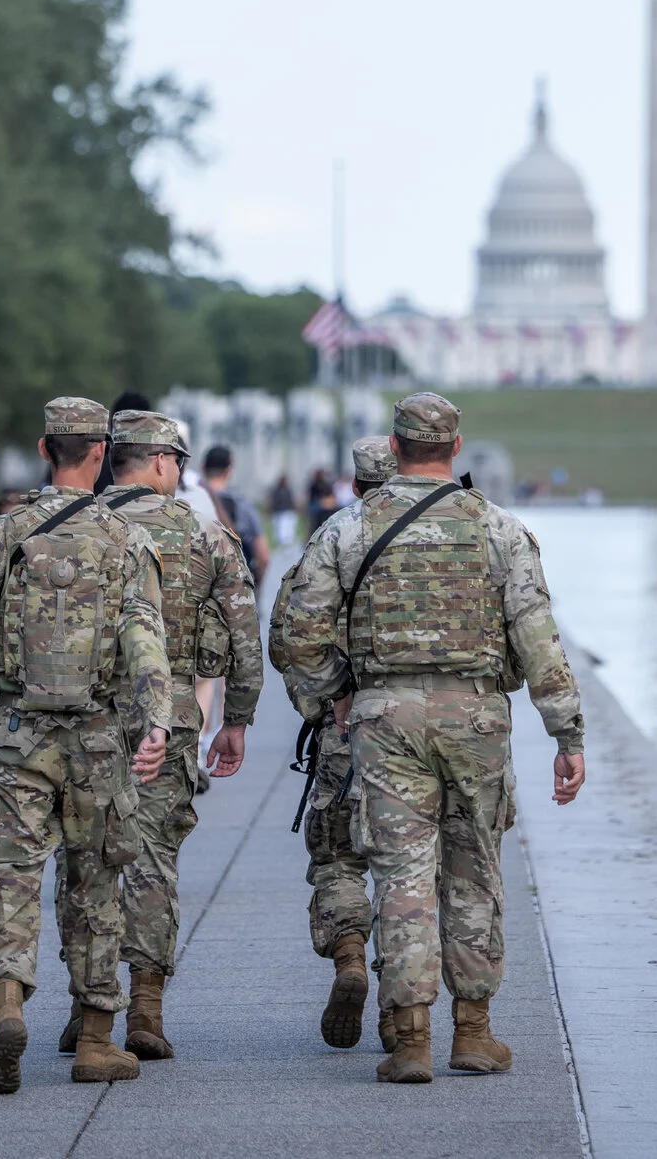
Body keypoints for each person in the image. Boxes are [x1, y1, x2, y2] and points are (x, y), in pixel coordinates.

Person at [282, 392, 586, 1085]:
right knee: (474, 867)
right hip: (475, 716)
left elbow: (300, 631)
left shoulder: (347, 528)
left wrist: (341, 691)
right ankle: (473, 1031)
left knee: (402, 874)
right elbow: (537, 637)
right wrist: (565, 731)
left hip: (385, 720)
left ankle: (411, 1037)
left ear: (393, 449)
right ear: (456, 447)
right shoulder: (499, 528)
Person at [0, 397, 172, 1096]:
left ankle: (7, 1006)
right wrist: (154, 722)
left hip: (16, 733)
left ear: (45, 448)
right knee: (97, 882)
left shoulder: (2, 534)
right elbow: (145, 640)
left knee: (9, 876)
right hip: (97, 736)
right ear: (100, 452)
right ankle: (96, 1039)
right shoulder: (126, 541)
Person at [52, 409, 263, 1063]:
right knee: (152, 861)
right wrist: (237, 719)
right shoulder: (204, 533)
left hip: (82, 717)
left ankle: (88, 1007)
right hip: (167, 714)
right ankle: (145, 1007)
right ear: (165, 461)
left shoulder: (71, 524)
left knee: (83, 862)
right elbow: (243, 630)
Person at [267, 435, 395, 1050]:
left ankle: (349, 954)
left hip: (345, 734)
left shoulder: (333, 539)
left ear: (356, 483)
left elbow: (285, 637)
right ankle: (405, 1012)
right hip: (425, 730)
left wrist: (325, 702)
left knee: (339, 858)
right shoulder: (456, 534)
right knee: (410, 870)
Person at [202, 444, 269, 586]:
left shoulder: (189, 502)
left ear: (203, 468)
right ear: (229, 470)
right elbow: (263, 556)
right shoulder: (242, 505)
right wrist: (256, 585)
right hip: (235, 589)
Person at [269, 473, 298, 549]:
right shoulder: (277, 491)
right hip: (279, 513)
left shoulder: (288, 490)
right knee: (281, 532)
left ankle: (288, 546)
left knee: (288, 531)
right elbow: (274, 502)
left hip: (288, 512)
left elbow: (291, 501)